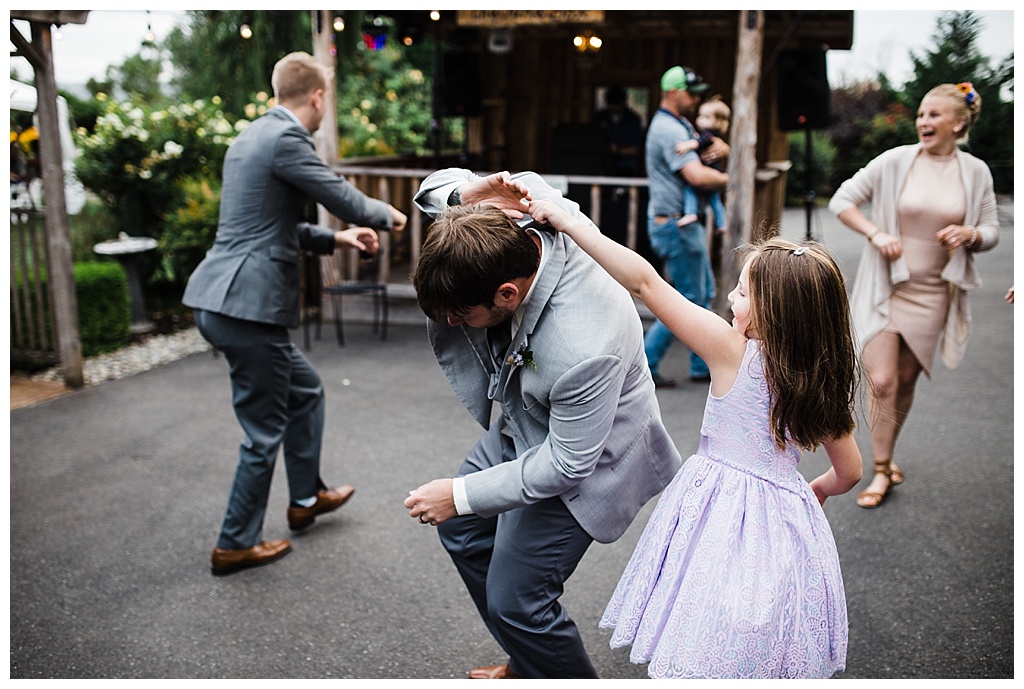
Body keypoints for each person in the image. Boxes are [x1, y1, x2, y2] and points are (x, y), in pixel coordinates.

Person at [532, 197, 863, 677]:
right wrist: (816, 490)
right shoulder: (818, 380)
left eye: (744, 293)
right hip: (784, 514)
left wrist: (570, 220)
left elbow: (645, 281)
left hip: (719, 508)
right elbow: (850, 472)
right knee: (763, 628)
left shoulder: (731, 351)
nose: (731, 298)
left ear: (778, 311)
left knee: (705, 616)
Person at [404, 169, 682, 679]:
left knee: (517, 602)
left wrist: (458, 494)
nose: (450, 324)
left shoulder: (581, 347)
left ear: (507, 294)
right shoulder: (521, 209)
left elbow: (568, 463)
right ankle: (534, 659)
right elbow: (432, 190)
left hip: (587, 461)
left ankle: (536, 647)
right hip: (523, 418)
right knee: (465, 534)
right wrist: (472, 194)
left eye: (461, 314)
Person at [182, 51, 408, 575]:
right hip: (246, 307)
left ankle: (305, 498)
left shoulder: (249, 137)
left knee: (304, 393)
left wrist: (337, 238)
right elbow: (340, 194)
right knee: (263, 430)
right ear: (318, 97)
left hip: (225, 299)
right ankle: (234, 542)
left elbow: (269, 229)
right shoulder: (287, 139)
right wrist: (390, 214)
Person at [828, 82, 999, 509]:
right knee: (882, 381)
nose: (923, 121)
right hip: (888, 286)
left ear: (959, 123)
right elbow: (843, 199)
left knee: (905, 380)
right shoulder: (895, 161)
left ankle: (887, 455)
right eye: (921, 114)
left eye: (934, 115)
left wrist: (971, 233)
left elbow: (992, 229)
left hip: (935, 292)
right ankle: (880, 469)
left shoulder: (975, 171)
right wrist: (877, 232)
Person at [643, 65, 730, 388]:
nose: (696, 99)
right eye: (692, 93)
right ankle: (644, 363)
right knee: (688, 296)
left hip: (679, 222)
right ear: (674, 93)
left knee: (702, 292)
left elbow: (708, 150)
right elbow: (697, 176)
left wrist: (724, 149)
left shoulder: (680, 124)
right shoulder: (669, 129)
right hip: (675, 224)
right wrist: (727, 178)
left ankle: (700, 365)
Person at [674, 96, 731, 232]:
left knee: (690, 189)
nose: (700, 119)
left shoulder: (708, 134)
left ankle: (690, 213)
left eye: (706, 117)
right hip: (715, 170)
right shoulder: (712, 135)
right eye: (700, 116)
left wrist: (686, 145)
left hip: (708, 170)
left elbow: (700, 142)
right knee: (714, 200)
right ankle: (722, 223)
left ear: (718, 122)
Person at [594, 85, 644, 177]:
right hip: (602, 165)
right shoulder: (601, 117)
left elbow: (636, 148)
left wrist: (618, 150)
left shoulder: (633, 119)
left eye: (617, 104)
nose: (614, 107)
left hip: (626, 167)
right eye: (611, 104)